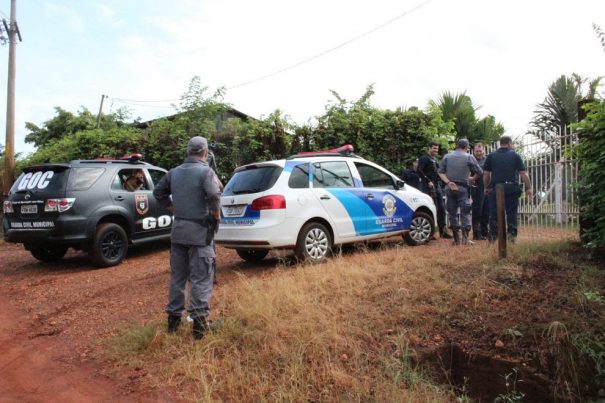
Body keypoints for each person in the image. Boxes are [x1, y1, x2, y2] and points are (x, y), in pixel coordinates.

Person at [153, 136, 222, 340]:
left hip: (179, 231)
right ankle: (200, 326)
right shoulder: (206, 172)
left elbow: (158, 193)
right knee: (202, 278)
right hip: (201, 233)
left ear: (187, 151)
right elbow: (215, 195)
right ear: (205, 152)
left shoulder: (173, 173)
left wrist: (174, 208)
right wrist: (215, 217)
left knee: (178, 278)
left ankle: (173, 323)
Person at [483, 136, 534, 243]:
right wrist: (529, 187)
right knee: (511, 213)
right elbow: (523, 174)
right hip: (511, 188)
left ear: (500, 143)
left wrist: (486, 187)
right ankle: (512, 237)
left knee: (494, 213)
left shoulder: (491, 156)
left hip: (495, 188)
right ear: (510, 143)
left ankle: (493, 237)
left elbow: (486, 174)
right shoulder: (515, 155)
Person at [438, 139, 483, 245]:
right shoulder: (469, 157)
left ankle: (456, 239)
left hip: (450, 188)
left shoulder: (447, 157)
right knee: (465, 213)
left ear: (457, 146)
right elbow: (480, 171)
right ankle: (466, 239)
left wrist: (448, 182)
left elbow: (440, 172)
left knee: (452, 213)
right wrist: (472, 178)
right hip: (463, 188)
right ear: (466, 147)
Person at [417, 142, 452, 239]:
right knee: (431, 209)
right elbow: (419, 171)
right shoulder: (424, 158)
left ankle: (443, 231)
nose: (436, 150)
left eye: (437, 149)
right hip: (427, 187)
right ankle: (430, 233)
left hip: (436, 186)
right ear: (429, 148)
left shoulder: (434, 159)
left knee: (441, 208)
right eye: (434, 148)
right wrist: (427, 181)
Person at [470, 142, 489, 240]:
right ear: (474, 151)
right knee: (477, 211)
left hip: (487, 188)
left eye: (480, 151)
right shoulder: (471, 160)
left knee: (486, 211)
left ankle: (484, 232)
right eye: (476, 151)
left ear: (483, 151)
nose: (478, 153)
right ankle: (476, 234)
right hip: (476, 188)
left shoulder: (487, 160)